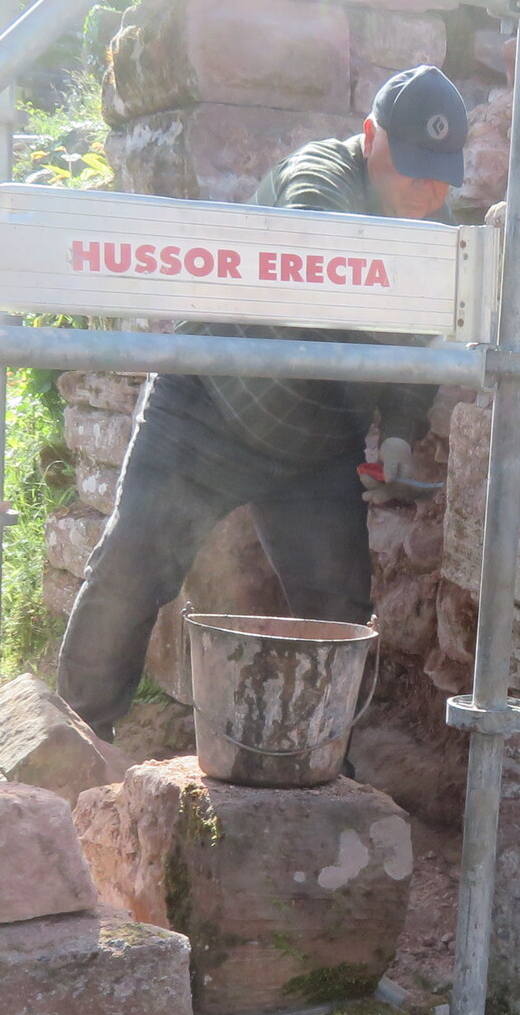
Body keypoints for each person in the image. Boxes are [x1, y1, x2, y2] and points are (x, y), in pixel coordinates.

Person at [55, 65, 469, 737]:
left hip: (314, 446)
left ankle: (322, 768)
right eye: (415, 168)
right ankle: (72, 744)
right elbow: (312, 241)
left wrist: (398, 429)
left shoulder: (435, 226)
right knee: (130, 570)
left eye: (443, 175)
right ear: (370, 137)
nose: (430, 191)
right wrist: (392, 295)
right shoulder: (317, 176)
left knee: (337, 614)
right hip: (206, 410)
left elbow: (423, 348)